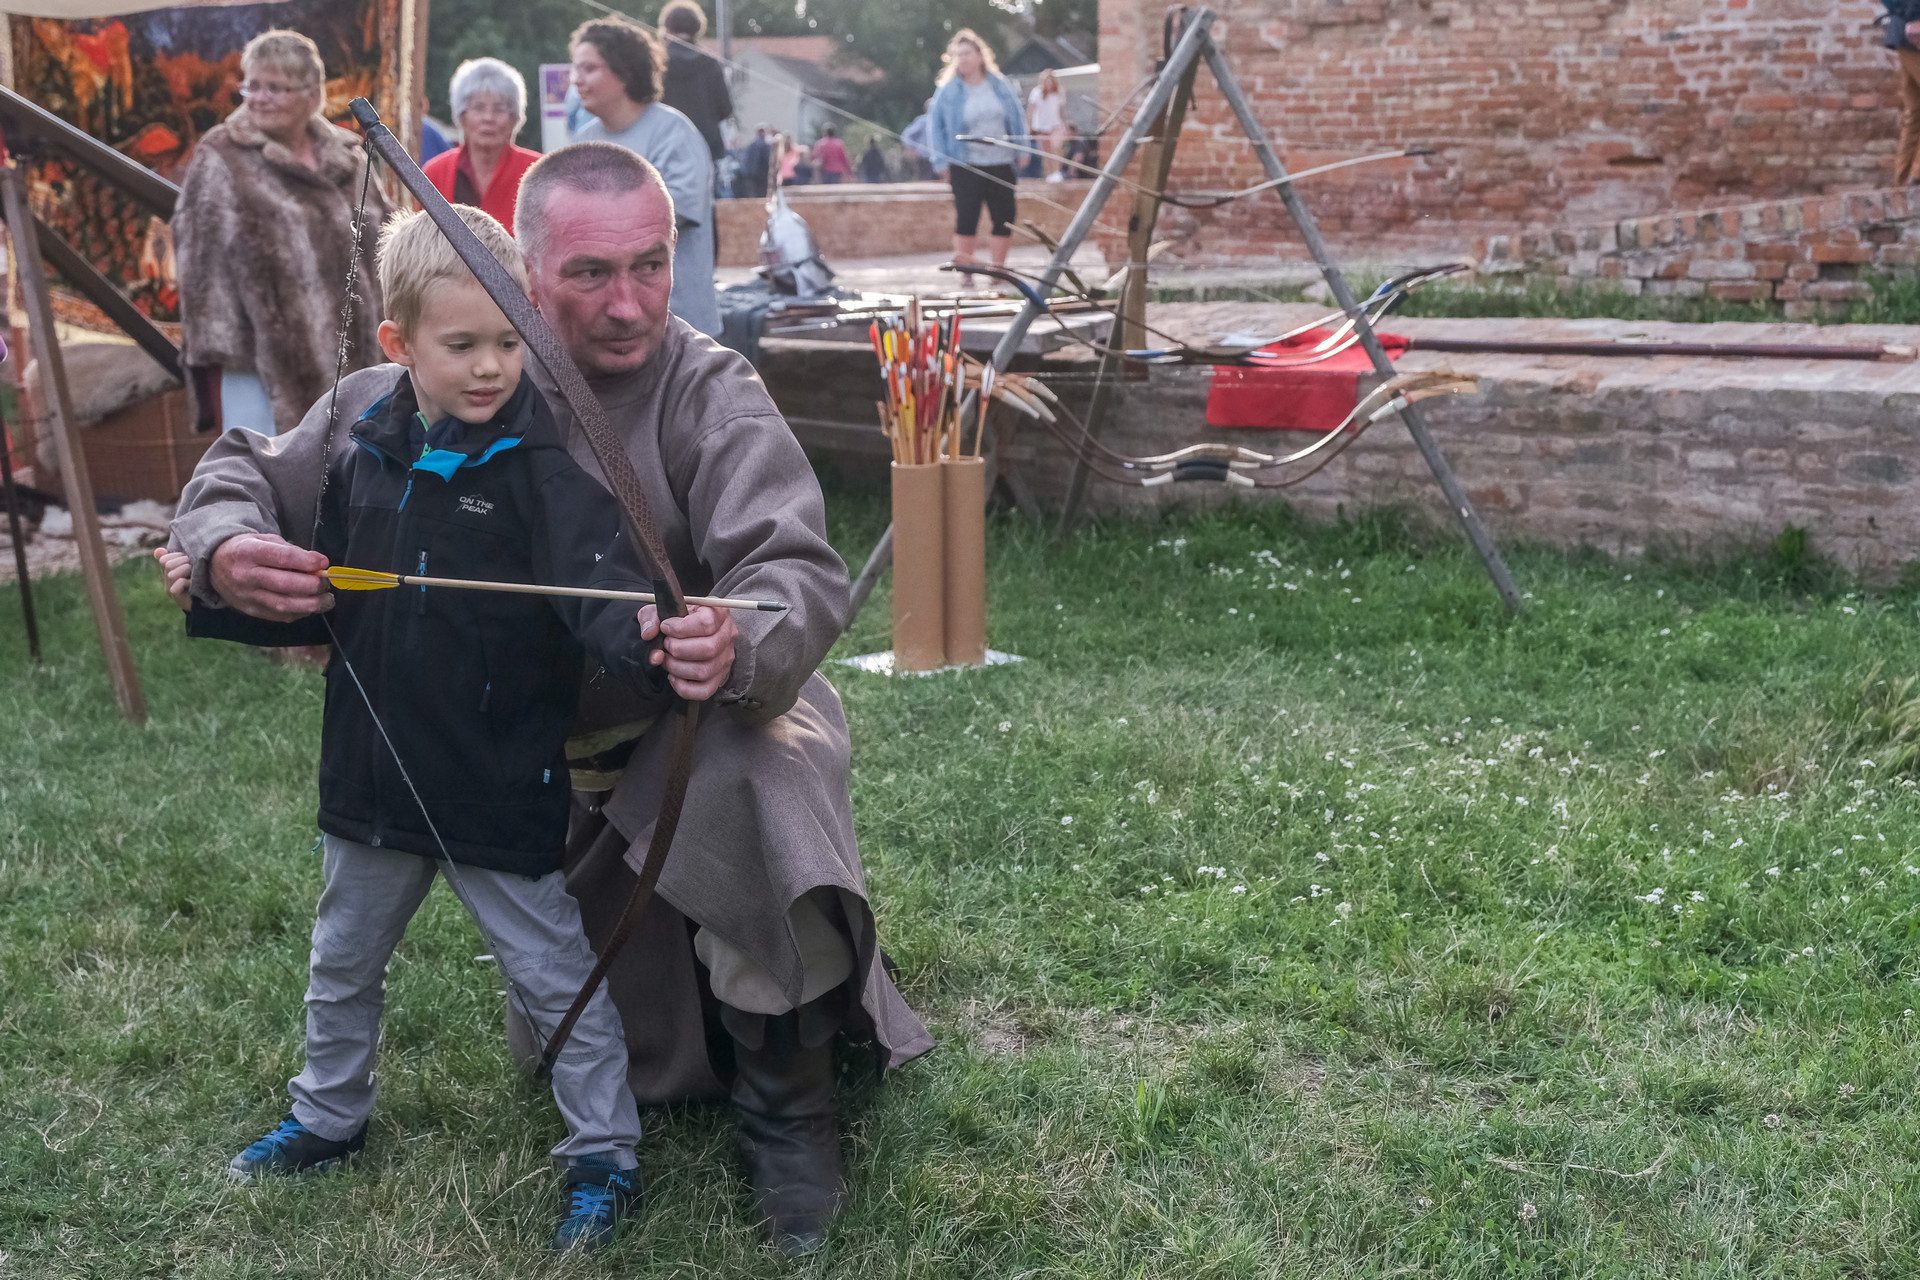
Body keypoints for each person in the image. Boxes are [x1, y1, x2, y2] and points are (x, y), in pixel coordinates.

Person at [166, 142, 932, 1258]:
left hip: (694, 727)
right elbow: (244, 470)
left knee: (761, 766)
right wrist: (225, 545)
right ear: (522, 276)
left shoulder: (710, 387)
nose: (629, 305)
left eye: (650, 266)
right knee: (568, 1019)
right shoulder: (409, 392)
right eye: (589, 274)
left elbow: (793, 571)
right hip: (530, 787)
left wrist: (734, 636)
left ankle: (790, 1108)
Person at [168, 205, 657, 1253]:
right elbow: (297, 573)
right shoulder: (360, 445)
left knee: (554, 975)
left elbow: (606, 592)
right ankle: (327, 1114)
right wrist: (219, 570)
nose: (491, 368)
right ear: (397, 343)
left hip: (496, 779)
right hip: (372, 772)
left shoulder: (543, 466)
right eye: (462, 343)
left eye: (509, 341)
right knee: (342, 959)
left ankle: (605, 1154)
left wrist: (653, 637)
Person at [173, 29, 389, 436]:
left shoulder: (347, 156)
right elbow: (199, 262)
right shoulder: (222, 155)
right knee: (268, 464)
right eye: (251, 86)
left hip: (358, 354)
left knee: (356, 458)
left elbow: (384, 241)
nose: (259, 98)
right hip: (262, 363)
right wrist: (227, 346)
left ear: (312, 95)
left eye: (275, 88)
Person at [567, 16, 721, 336]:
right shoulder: (583, 141)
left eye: (589, 69)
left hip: (678, 326)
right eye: (575, 69)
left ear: (624, 71)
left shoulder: (673, 133)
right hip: (609, 325)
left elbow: (673, 215)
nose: (576, 80)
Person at [925, 31, 1025, 284]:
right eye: (958, 55)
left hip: (1000, 161)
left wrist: (1022, 149)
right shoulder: (948, 91)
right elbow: (935, 126)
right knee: (967, 217)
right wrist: (940, 161)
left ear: (980, 56)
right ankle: (966, 272)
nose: (963, 59)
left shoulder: (999, 85)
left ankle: (997, 270)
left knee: (1004, 217)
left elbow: (1017, 117)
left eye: (968, 53)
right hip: (965, 163)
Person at [421, 58, 541, 234]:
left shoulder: (538, 172)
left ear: (514, 118)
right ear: (461, 115)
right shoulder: (435, 173)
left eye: (499, 109)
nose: (488, 118)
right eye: (478, 107)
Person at [658, 0, 733, 164]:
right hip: (706, 149)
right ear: (698, 28)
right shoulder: (711, 63)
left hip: (666, 150)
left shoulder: (658, 62)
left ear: (667, 27)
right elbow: (726, 109)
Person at [1886, 2, 1920, 183]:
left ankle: (1902, 184)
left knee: (1914, 111)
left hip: (1905, 33)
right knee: (1914, 112)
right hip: (1912, 34)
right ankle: (1916, 177)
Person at [1027, 69, 1070, 182]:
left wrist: (1064, 125)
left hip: (1055, 125)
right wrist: (1030, 125)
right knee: (1046, 153)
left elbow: (1061, 111)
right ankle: (1049, 174)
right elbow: (1031, 110)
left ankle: (1057, 172)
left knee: (1056, 149)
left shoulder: (1058, 92)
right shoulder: (1036, 92)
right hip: (1041, 126)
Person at [901, 99, 935, 180]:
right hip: (924, 159)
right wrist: (912, 150)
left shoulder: (941, 121)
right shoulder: (922, 121)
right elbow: (906, 135)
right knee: (926, 182)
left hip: (938, 159)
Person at [738, 123, 772, 198]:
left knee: (752, 195)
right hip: (760, 175)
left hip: (749, 174)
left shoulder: (751, 144)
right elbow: (767, 159)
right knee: (761, 196)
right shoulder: (764, 144)